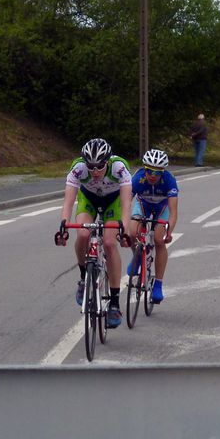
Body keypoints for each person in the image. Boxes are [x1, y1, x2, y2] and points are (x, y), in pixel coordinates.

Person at [54, 138, 132, 328]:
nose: (95, 171)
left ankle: (114, 303)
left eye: (100, 166)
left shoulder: (119, 167)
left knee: (109, 243)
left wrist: (125, 228)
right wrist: (63, 225)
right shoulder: (78, 168)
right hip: (88, 199)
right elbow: (68, 201)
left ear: (108, 161)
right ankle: (83, 279)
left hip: (113, 202)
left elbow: (126, 203)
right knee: (82, 234)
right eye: (91, 166)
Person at [126, 149, 179, 304]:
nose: (153, 176)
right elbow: (127, 203)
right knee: (131, 232)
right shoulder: (138, 178)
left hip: (162, 208)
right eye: (149, 171)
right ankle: (137, 258)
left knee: (158, 239)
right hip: (143, 204)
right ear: (144, 169)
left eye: (157, 172)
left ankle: (158, 285)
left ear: (163, 172)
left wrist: (169, 232)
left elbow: (173, 211)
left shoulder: (169, 180)